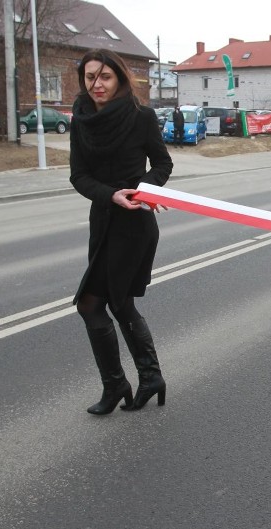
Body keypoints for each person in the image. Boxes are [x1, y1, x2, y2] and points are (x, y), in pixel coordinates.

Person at [69, 49, 173, 415]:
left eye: (105, 77)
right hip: (104, 219)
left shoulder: (140, 116)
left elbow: (162, 162)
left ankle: (122, 384)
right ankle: (140, 380)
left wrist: (144, 189)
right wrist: (109, 194)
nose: (96, 84)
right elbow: (78, 175)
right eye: (90, 77)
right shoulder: (80, 121)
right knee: (107, 303)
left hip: (135, 223)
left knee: (96, 303)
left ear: (119, 79)